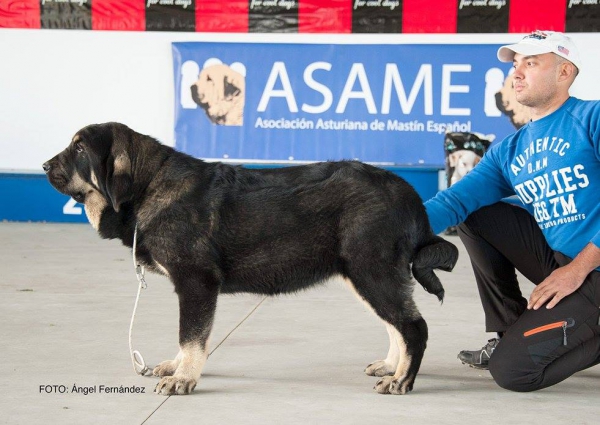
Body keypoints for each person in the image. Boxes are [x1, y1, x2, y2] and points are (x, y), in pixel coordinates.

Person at [424, 30, 600, 392]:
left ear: (564, 72)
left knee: (513, 372)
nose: (517, 73)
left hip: (592, 267)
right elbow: (453, 202)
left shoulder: (592, 117)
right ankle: (509, 330)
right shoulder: (510, 150)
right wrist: (384, 230)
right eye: (516, 64)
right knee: (474, 213)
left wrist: (580, 269)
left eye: (531, 63)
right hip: (560, 261)